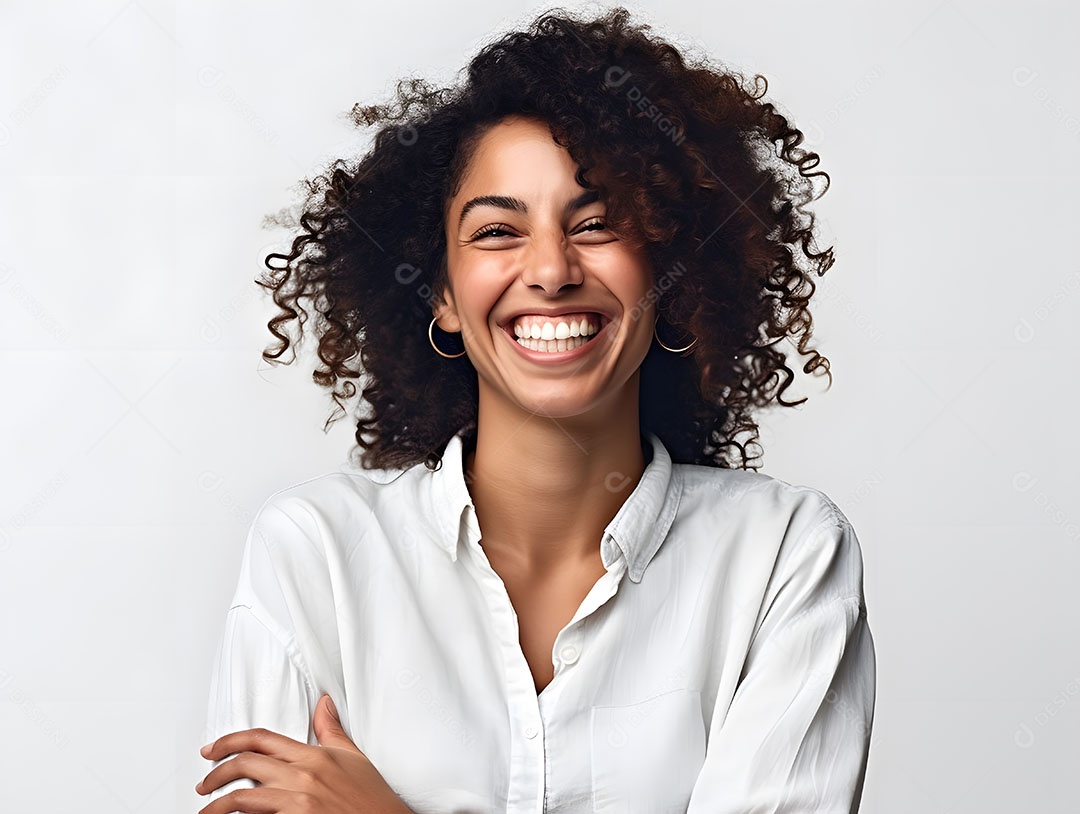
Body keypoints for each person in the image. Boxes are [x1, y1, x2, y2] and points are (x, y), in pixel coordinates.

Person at [195, 7, 876, 813]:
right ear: (443, 293)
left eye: (596, 224)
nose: (551, 270)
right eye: (496, 231)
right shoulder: (317, 557)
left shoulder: (782, 559)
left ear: (670, 268)